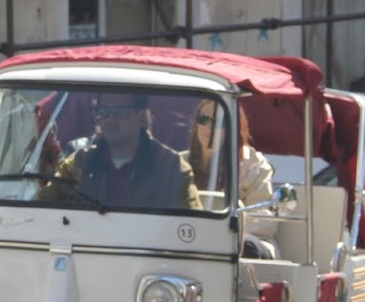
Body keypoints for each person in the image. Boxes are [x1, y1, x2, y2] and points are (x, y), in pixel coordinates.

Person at [43, 92, 200, 210]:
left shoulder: (172, 168)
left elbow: (192, 230)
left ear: (141, 116)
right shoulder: (78, 163)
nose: (110, 120)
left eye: (120, 113)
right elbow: (41, 208)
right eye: (103, 113)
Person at [188, 99, 279, 257]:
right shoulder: (180, 165)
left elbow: (263, 220)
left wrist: (214, 233)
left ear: (234, 126)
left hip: (245, 246)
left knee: (246, 246)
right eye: (203, 120)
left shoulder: (254, 165)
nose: (209, 127)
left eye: (219, 122)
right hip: (188, 241)